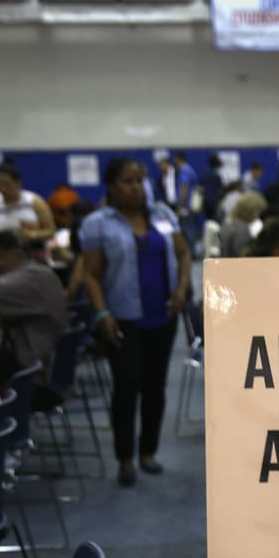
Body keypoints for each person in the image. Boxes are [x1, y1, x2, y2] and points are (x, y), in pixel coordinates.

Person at [80, 158, 191, 487]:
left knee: (155, 386)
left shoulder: (164, 216)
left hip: (163, 315)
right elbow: (91, 275)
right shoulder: (98, 224)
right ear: (112, 185)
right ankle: (125, 457)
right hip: (123, 318)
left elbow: (183, 254)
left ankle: (148, 452)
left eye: (141, 179)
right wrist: (102, 314)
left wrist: (182, 289)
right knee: (127, 385)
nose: (138, 186)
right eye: (129, 180)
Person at [0, 230, 68, 393]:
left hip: (32, 375)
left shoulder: (21, 281)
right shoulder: (41, 272)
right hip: (51, 362)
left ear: (0, 257)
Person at [0, 163, 56, 246]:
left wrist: (32, 235)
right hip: (0, 251)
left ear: (18, 183)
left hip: (32, 249)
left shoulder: (34, 201)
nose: (2, 189)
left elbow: (51, 231)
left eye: (6, 184)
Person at [221, 192, 267, 259]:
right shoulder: (241, 229)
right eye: (259, 211)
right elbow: (241, 255)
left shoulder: (231, 223)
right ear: (252, 211)